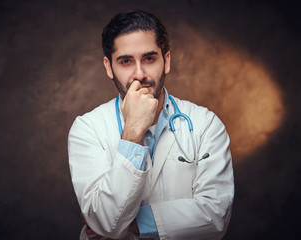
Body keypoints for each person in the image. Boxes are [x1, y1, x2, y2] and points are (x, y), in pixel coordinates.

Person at [68, 10, 234, 240]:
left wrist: (132, 223)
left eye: (149, 58)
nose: (139, 74)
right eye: (126, 61)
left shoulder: (206, 124)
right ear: (109, 67)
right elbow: (105, 220)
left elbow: (215, 216)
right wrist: (133, 132)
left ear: (166, 61)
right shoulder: (87, 128)